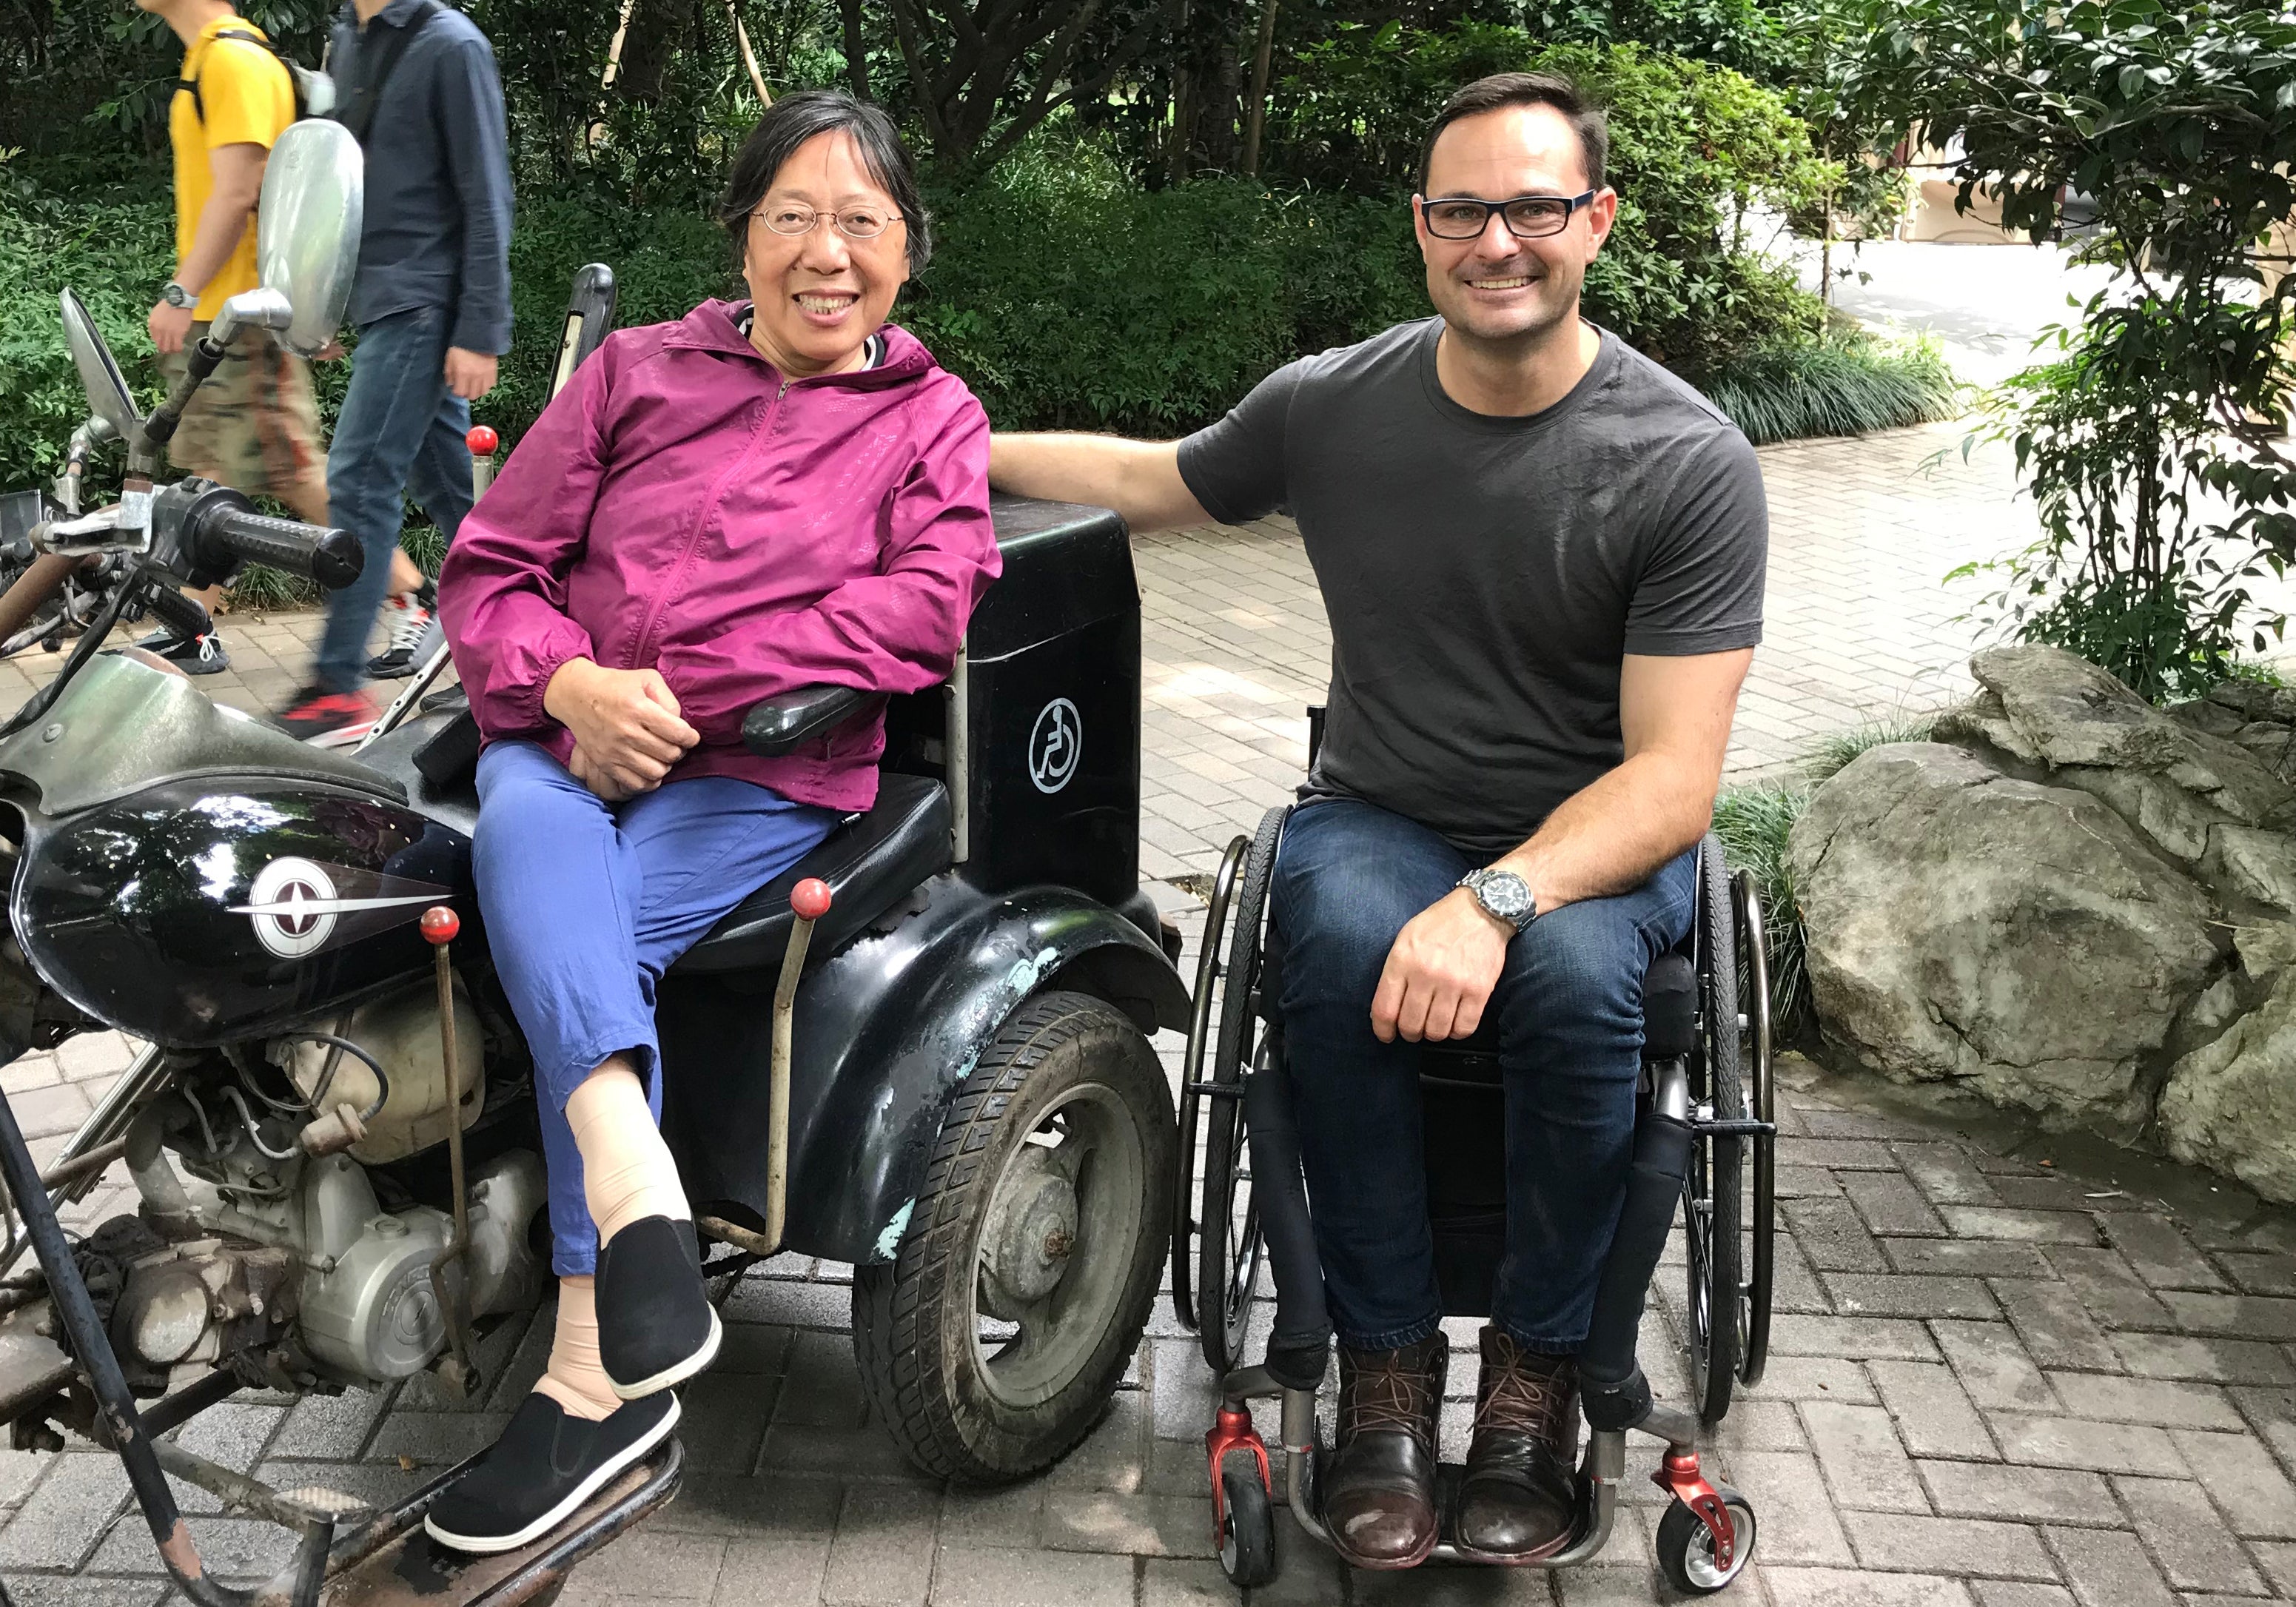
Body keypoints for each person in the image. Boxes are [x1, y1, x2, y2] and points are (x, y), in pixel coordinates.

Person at [990, 71, 1766, 1570]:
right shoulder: (1337, 403)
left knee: (1581, 974)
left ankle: (1538, 1379)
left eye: (1535, 205)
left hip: (1601, 835)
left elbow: (1674, 781)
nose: (1499, 238)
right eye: (1464, 208)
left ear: (1594, 221)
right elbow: (1158, 481)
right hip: (1385, 810)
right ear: (1422, 229)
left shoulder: (1685, 462)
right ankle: (1386, 1368)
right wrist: (932, 440)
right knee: (1330, 932)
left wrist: (1497, 899)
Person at [422, 91, 1000, 1554]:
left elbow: (920, 612)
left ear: (907, 251)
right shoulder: (629, 372)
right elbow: (490, 566)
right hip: (560, 741)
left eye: (862, 221)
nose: (827, 251)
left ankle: (590, 1373)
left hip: (761, 782)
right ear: (742, 232)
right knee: (522, 820)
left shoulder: (934, 420)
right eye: (793, 214)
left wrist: (663, 691)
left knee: (570, 923)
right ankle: (634, 1184)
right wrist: (568, 680)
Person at [273, 0, 514, 739]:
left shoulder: (452, 48)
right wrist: (321, 304)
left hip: (425, 302)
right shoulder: (350, 37)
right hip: (380, 298)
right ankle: (541, 622)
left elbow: (486, 195)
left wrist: (481, 329)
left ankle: (337, 687)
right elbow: (335, 187)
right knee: (453, 495)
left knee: (359, 477)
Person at [140, 0, 331, 675]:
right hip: (221, 316)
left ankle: (418, 599)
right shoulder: (209, 59)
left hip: (240, 317)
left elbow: (242, 190)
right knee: (216, 480)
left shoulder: (235, 60)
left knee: (293, 476)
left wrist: (181, 290)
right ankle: (193, 628)